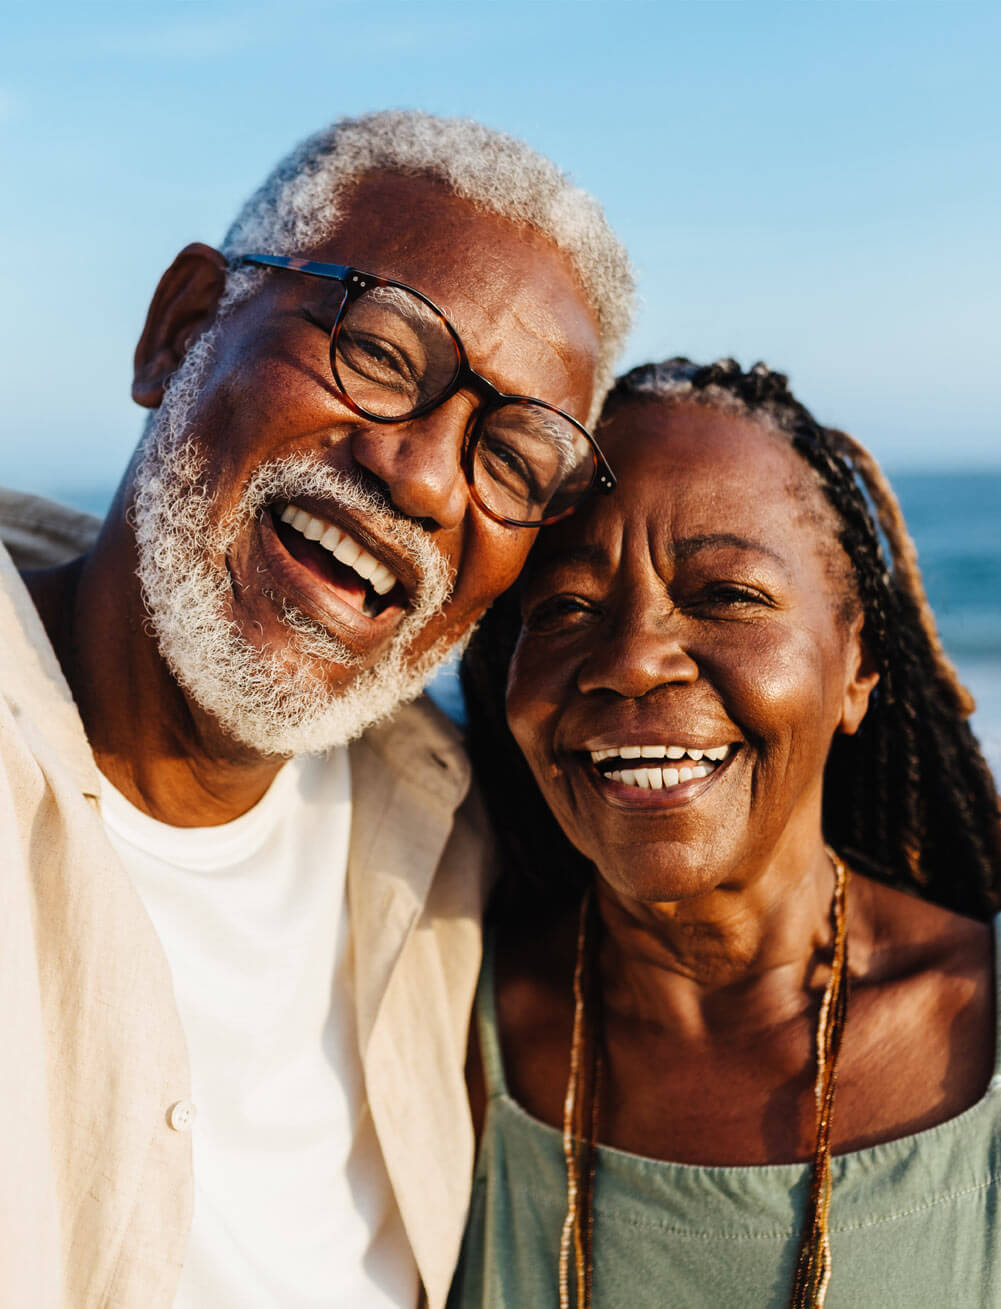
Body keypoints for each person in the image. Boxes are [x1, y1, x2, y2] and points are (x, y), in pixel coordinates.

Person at [0, 110, 634, 1308]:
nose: (428, 476)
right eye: (382, 353)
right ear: (179, 328)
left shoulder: (455, 831)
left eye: (512, 460)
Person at [455, 358, 1001, 1307]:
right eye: (564, 608)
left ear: (856, 664)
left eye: (726, 594)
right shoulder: (446, 1044)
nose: (633, 659)